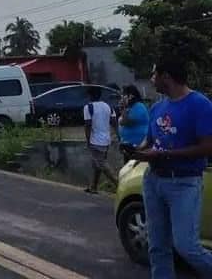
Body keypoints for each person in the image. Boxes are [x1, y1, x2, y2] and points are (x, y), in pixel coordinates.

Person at [130, 59, 212, 278]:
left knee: (187, 246)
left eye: (154, 74)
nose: (151, 79)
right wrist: (136, 151)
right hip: (154, 180)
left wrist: (165, 154)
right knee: (157, 246)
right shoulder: (157, 106)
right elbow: (149, 141)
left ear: (166, 77)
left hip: (184, 183)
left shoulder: (200, 105)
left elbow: (207, 147)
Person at [83, 86, 117, 194]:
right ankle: (93, 186)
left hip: (95, 141)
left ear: (90, 96)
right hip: (106, 140)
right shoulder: (108, 106)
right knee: (97, 164)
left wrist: (88, 140)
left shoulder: (88, 107)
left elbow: (88, 125)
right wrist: (118, 135)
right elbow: (114, 122)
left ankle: (118, 184)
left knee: (101, 164)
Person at [117, 85, 149, 152]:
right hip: (127, 145)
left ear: (130, 96)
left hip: (137, 146)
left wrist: (123, 108)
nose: (121, 97)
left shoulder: (139, 107)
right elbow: (121, 121)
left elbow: (126, 122)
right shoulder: (129, 108)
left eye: (123, 94)